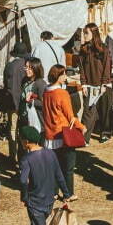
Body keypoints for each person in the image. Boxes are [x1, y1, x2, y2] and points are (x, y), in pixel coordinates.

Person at [18, 125, 69, 225]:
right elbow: (59, 176)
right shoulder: (51, 153)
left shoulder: (26, 159)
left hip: (35, 203)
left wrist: (24, 197)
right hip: (49, 200)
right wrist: (66, 194)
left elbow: (23, 180)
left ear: (26, 141)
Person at [42, 66, 80, 196]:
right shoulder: (62, 94)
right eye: (63, 75)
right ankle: (68, 193)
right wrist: (82, 127)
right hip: (63, 134)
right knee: (68, 167)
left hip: (50, 134)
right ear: (58, 77)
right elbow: (70, 116)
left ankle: (54, 191)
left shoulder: (46, 92)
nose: (65, 77)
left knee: (55, 166)